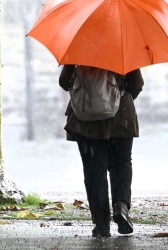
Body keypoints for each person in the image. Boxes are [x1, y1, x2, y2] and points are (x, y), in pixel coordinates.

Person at [59, 65, 144, 237]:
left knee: (94, 172)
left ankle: (101, 224)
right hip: (121, 117)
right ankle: (121, 206)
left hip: (86, 121)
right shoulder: (122, 46)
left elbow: (64, 82)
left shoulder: (78, 46)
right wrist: (117, 96)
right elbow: (137, 84)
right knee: (121, 164)